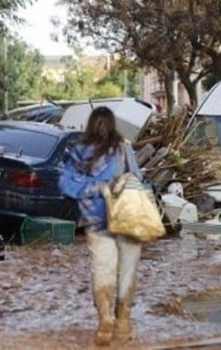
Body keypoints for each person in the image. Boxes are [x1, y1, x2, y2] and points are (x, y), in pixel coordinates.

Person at [59, 107, 142, 346]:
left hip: (96, 222)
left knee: (102, 271)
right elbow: (136, 179)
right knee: (126, 272)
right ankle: (123, 323)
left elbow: (66, 185)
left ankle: (105, 317)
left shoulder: (80, 151)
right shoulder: (124, 149)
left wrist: (91, 190)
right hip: (125, 220)